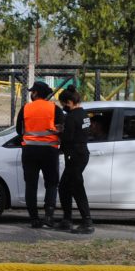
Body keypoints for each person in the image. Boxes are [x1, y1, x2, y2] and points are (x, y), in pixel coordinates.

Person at [16, 81, 65, 228]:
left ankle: (34, 219)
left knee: (31, 185)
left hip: (30, 151)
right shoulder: (55, 109)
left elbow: (19, 130)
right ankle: (49, 216)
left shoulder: (25, 108)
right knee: (51, 184)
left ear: (36, 93)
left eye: (32, 91)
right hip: (49, 151)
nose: (31, 94)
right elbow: (62, 129)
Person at [57, 85, 93, 234]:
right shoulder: (83, 114)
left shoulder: (71, 117)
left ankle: (87, 222)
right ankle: (67, 219)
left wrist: (58, 133)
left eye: (63, 104)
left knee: (77, 188)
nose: (63, 107)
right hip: (81, 153)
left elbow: (68, 138)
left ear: (69, 102)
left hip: (75, 155)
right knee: (64, 186)